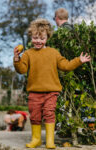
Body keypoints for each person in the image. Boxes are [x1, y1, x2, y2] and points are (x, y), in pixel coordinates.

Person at [13, 18, 91, 149]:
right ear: (31, 37)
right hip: (34, 92)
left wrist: (79, 60)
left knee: (49, 113)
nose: (38, 41)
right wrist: (16, 58)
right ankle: (36, 139)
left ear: (47, 38)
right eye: (35, 38)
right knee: (35, 116)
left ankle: (50, 141)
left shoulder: (53, 53)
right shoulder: (27, 54)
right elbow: (21, 70)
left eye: (42, 38)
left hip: (51, 92)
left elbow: (65, 65)